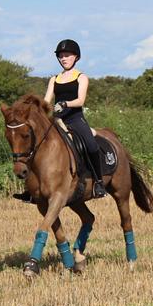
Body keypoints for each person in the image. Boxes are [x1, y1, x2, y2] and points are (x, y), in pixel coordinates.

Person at [46, 38, 105, 198]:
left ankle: (99, 182)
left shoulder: (81, 77)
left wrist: (65, 104)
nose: (63, 58)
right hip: (56, 120)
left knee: (92, 146)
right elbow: (46, 101)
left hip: (75, 119)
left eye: (67, 55)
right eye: (61, 56)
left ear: (76, 57)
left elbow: (80, 101)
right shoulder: (54, 79)